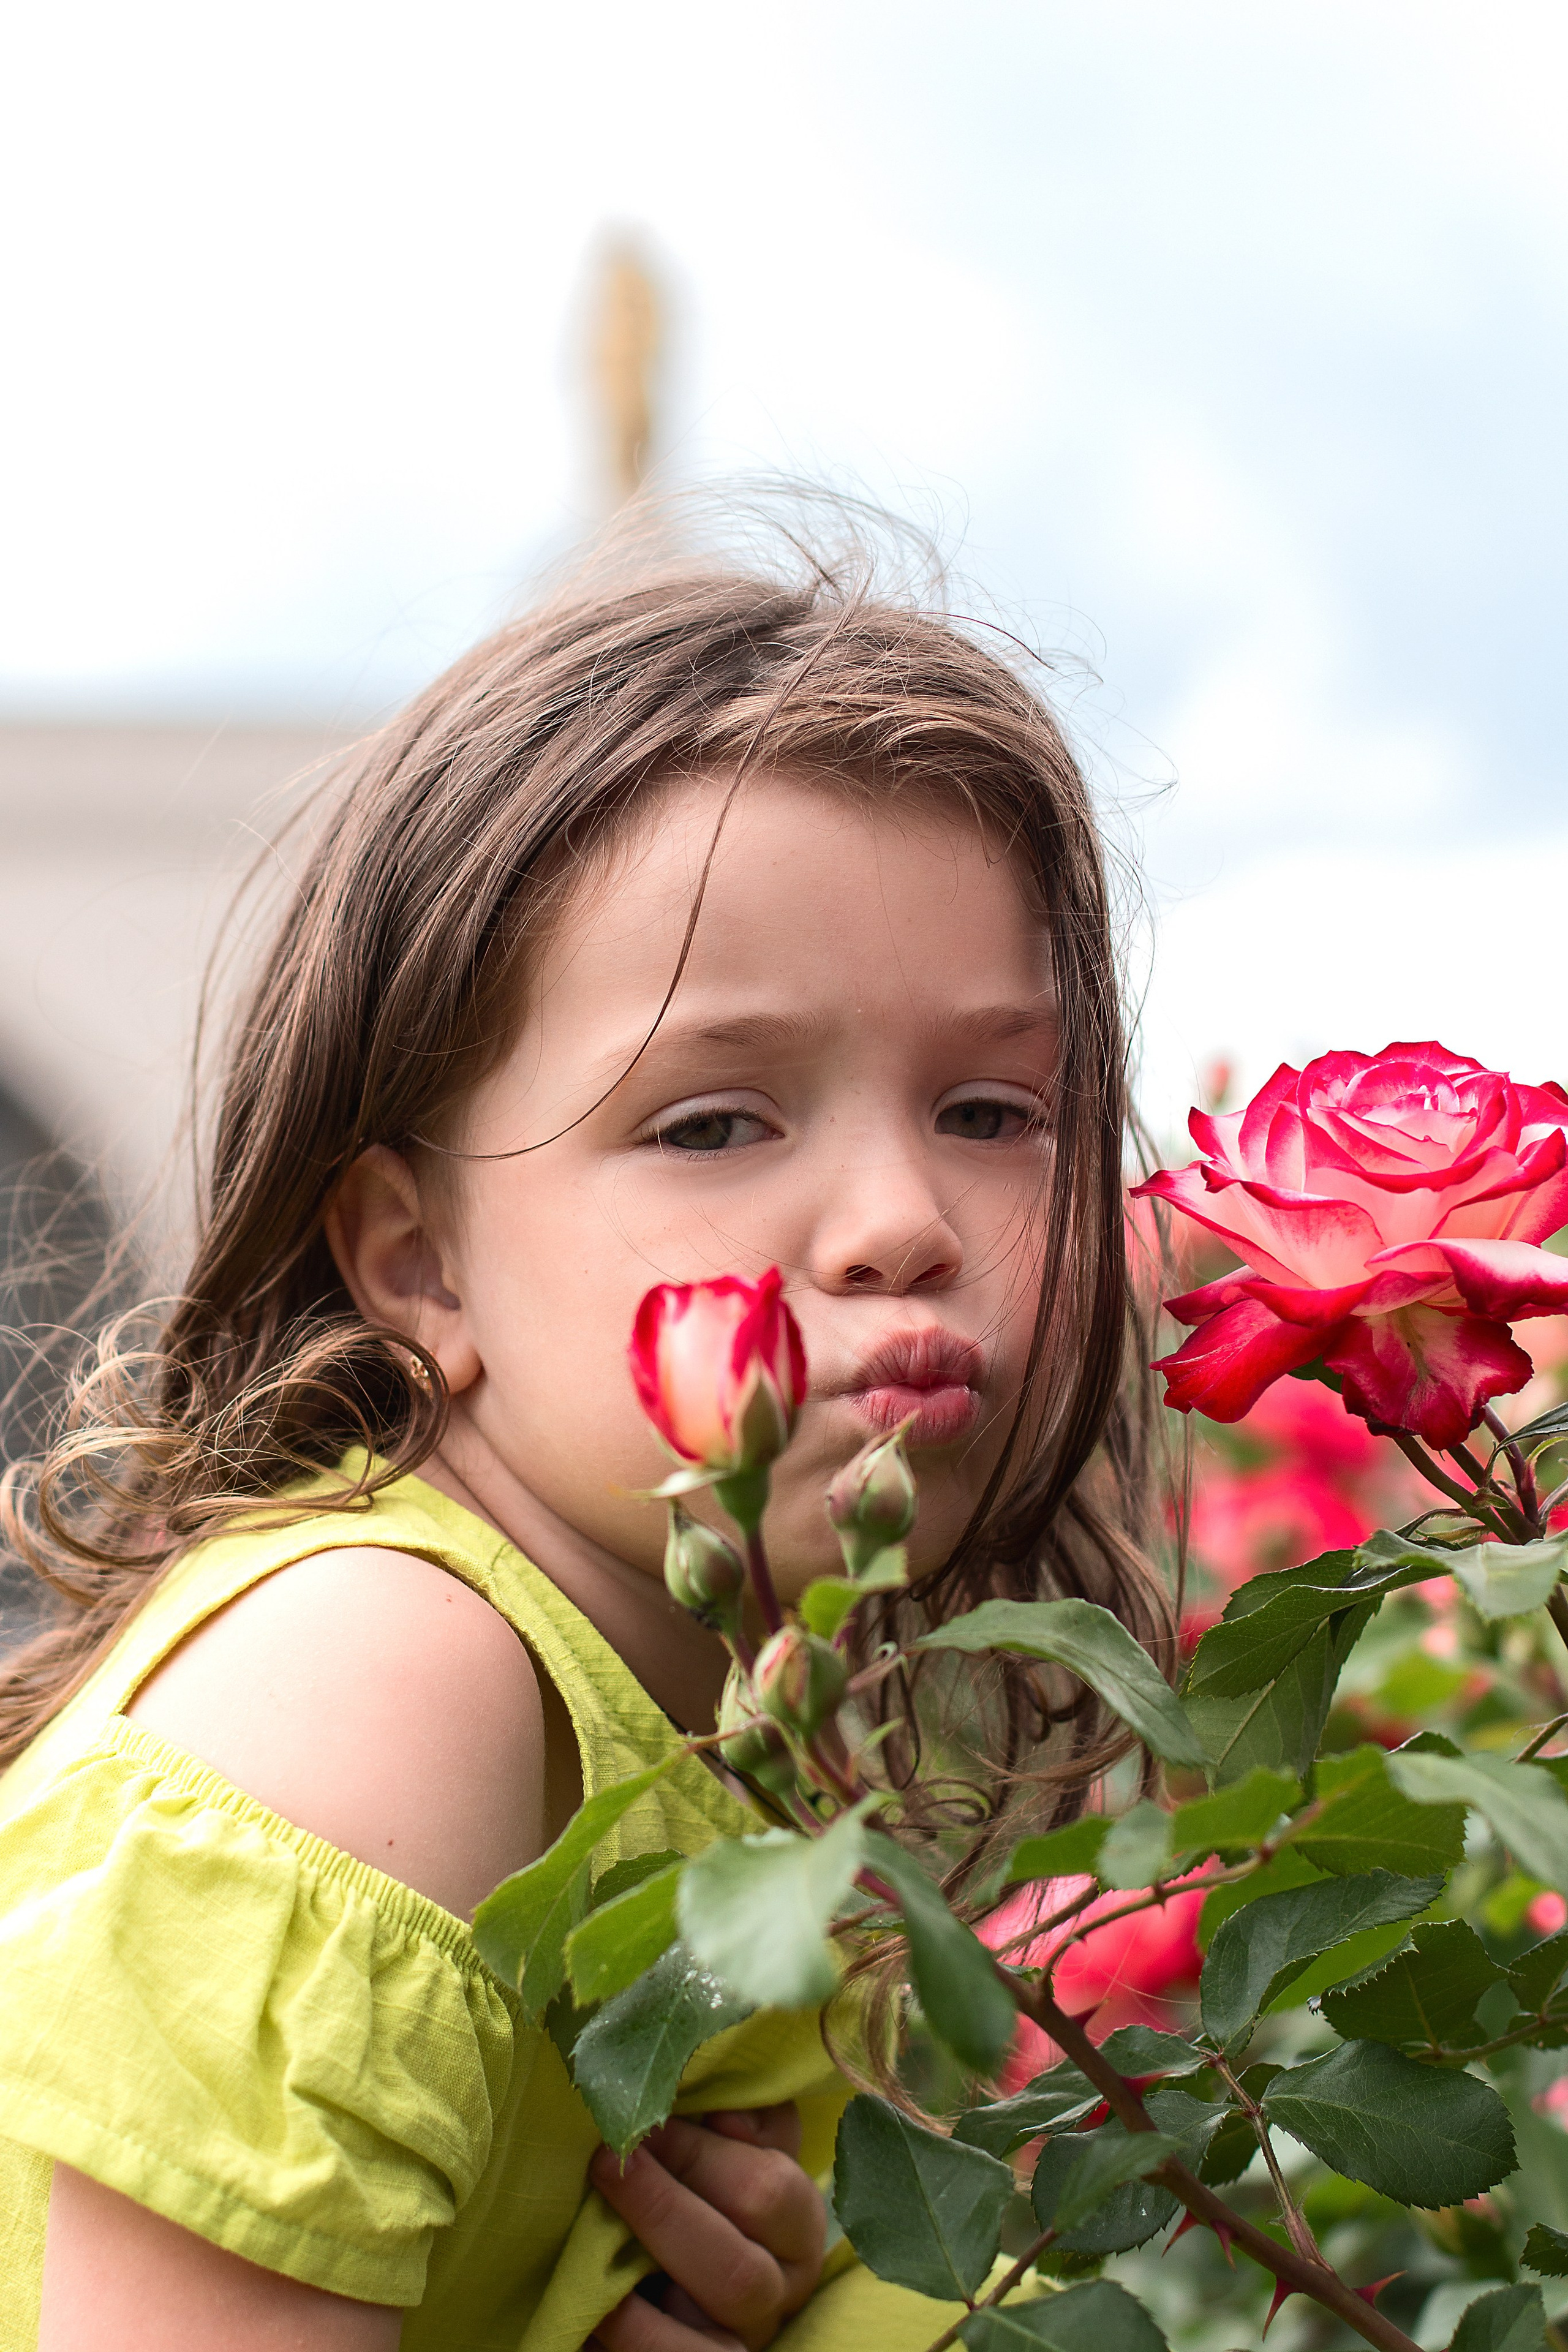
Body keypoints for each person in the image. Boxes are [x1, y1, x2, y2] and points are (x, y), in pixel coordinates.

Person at [0, 514, 1172, 2351]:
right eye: (714, 1124)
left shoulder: (733, 1714)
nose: (901, 1218)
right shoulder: (391, 1674)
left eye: (991, 1107)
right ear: (416, 1263)